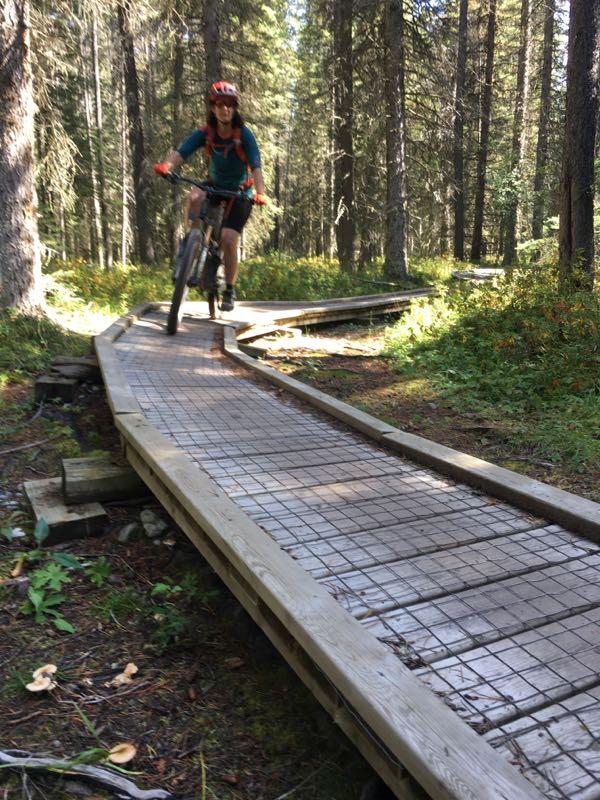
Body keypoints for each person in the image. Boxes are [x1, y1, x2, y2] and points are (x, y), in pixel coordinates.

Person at [154, 80, 266, 312]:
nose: (224, 109)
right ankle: (192, 244)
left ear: (234, 108)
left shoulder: (243, 135)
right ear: (212, 107)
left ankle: (230, 289)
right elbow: (182, 151)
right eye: (219, 104)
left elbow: (256, 165)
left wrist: (260, 193)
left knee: (228, 238)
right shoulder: (206, 132)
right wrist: (166, 166)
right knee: (195, 196)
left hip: (240, 193)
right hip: (215, 185)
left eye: (229, 104)